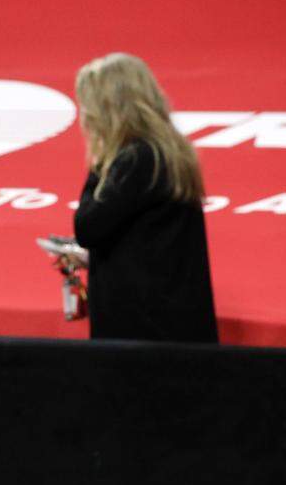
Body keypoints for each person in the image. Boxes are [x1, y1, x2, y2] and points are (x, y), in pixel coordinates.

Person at [73, 52, 219, 343]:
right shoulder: (169, 151)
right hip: (169, 323)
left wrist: (99, 164)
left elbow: (88, 227)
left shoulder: (137, 159)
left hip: (142, 333)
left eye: (89, 107)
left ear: (110, 109)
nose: (86, 117)